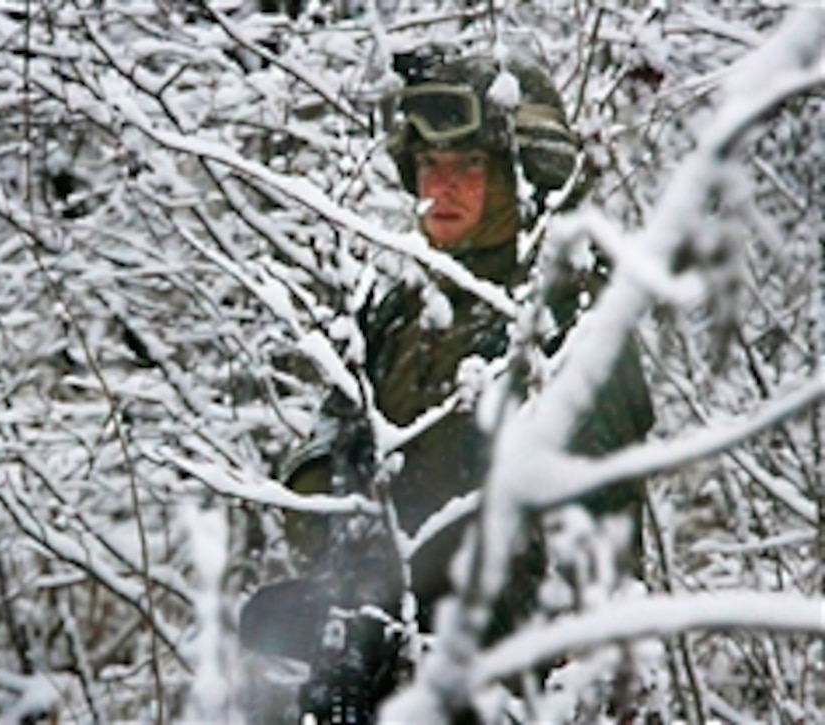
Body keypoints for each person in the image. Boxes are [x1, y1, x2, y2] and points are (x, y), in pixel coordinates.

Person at [240, 48, 654, 706]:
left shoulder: (566, 310)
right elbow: (324, 468)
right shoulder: (401, 307)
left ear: (524, 176)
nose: (443, 186)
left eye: (468, 166)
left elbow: (599, 547)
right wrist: (343, 598)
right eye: (430, 164)